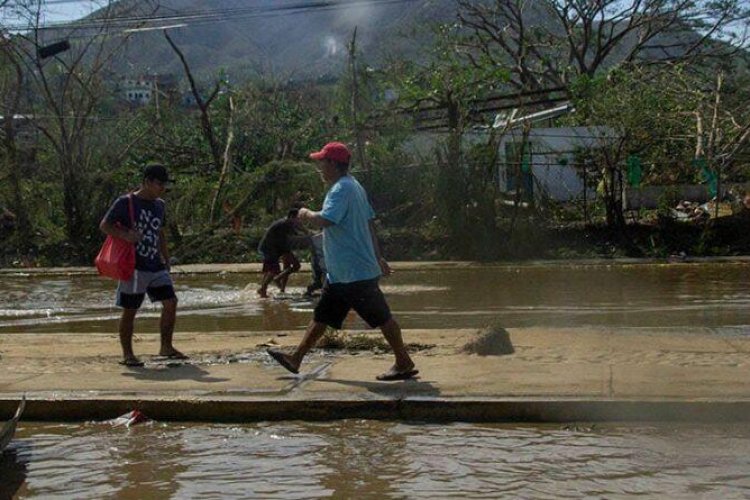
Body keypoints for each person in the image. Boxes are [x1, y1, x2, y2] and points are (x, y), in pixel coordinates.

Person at [267, 141, 418, 381]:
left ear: (334, 164)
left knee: (382, 317)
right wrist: (378, 257)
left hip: (353, 272)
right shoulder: (354, 186)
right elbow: (369, 224)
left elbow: (326, 220)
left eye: (322, 162)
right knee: (321, 317)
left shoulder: (340, 189)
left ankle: (404, 361)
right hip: (343, 272)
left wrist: (305, 214)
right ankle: (296, 358)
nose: (319, 168)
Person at [99, 163, 186, 367]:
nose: (162, 188)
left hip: (155, 264)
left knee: (171, 302)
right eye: (159, 184)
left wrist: (166, 257)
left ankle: (166, 347)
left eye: (164, 185)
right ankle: (128, 354)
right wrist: (126, 235)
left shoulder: (160, 205)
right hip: (133, 265)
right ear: (146, 182)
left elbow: (160, 232)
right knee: (130, 309)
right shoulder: (125, 202)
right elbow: (105, 225)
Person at [257, 209, 304, 298]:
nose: (299, 221)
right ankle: (263, 289)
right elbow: (283, 241)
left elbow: (297, 234)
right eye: (298, 218)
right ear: (291, 217)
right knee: (273, 270)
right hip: (270, 248)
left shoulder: (289, 224)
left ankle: (279, 287)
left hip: (278, 247)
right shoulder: (284, 224)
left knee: (295, 265)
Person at [304, 231, 326, 297]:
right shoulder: (319, 238)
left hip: (318, 260)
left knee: (319, 280)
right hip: (319, 260)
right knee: (319, 280)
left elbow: (312, 250)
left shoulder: (315, 238)